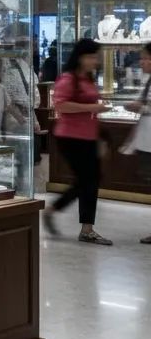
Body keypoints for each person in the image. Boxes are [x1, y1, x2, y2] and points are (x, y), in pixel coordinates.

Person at [45, 38, 112, 244]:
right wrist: (92, 108)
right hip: (70, 138)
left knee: (90, 181)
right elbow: (61, 106)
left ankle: (85, 228)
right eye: (92, 56)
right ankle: (58, 212)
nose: (95, 61)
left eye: (96, 57)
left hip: (89, 137)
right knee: (86, 181)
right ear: (81, 57)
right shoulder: (67, 79)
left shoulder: (88, 79)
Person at [121, 42, 151, 244]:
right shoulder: (148, 80)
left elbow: (145, 106)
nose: (141, 62)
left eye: (145, 58)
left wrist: (138, 106)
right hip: (146, 142)